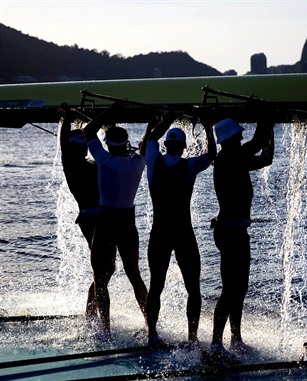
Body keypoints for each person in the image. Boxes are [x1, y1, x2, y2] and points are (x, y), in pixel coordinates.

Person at [140, 114, 216, 347]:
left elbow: (150, 139)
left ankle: (152, 335)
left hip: (159, 233)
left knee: (156, 287)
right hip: (183, 233)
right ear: (183, 148)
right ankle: (192, 339)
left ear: (166, 146)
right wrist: (207, 126)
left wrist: (167, 116)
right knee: (193, 288)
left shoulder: (153, 161)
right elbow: (211, 154)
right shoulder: (190, 165)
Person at [205, 117, 274, 364]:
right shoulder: (230, 157)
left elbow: (261, 150)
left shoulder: (233, 156)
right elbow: (264, 151)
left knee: (240, 288)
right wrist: (269, 119)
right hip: (230, 232)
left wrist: (268, 124)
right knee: (230, 289)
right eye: (238, 135)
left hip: (235, 230)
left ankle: (235, 338)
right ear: (230, 139)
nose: (241, 138)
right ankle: (215, 344)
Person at [83, 104, 148, 341]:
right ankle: (151, 328)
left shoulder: (104, 160)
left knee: (100, 278)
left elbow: (88, 132)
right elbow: (145, 144)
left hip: (107, 223)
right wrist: (153, 125)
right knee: (135, 276)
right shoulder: (138, 163)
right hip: (127, 225)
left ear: (108, 144)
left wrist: (110, 112)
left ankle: (105, 330)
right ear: (126, 144)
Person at [59, 105, 106, 321]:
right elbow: (63, 142)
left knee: (106, 269)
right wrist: (67, 117)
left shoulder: (89, 163)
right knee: (102, 269)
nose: (86, 149)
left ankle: (90, 311)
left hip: (100, 218)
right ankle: (90, 314)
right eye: (84, 146)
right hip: (89, 218)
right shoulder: (71, 164)